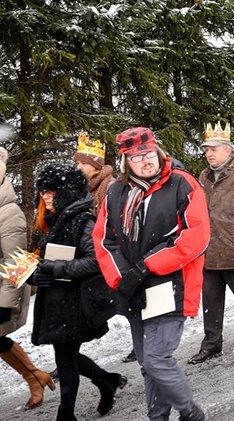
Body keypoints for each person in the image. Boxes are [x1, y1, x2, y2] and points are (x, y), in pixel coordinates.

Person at [93, 127, 209, 421]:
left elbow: (195, 237)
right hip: (133, 289)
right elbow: (104, 240)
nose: (145, 161)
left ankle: (191, 413)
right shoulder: (116, 192)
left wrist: (147, 266)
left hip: (171, 286)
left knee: (157, 360)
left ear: (158, 151)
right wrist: (122, 278)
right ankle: (157, 418)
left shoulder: (182, 184)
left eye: (148, 153)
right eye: (135, 157)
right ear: (125, 163)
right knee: (147, 363)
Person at [30, 165, 124, 421]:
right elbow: (43, 261)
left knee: (65, 356)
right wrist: (37, 274)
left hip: (75, 301)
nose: (45, 196)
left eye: (51, 192)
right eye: (43, 192)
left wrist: (55, 268)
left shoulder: (82, 220)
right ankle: (106, 380)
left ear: (65, 192)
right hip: (58, 300)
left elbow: (95, 261)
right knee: (65, 354)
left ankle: (66, 413)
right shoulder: (54, 220)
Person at [189, 122, 234, 365]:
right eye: (206, 149)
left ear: (228, 150)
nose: (209, 153)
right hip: (208, 253)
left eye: (214, 149)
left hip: (233, 251)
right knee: (211, 302)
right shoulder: (204, 176)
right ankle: (211, 345)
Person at [72, 132, 138, 364]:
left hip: (112, 252)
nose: (77, 167)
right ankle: (70, 356)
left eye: (82, 163)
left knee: (127, 301)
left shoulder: (109, 186)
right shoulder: (82, 188)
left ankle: (140, 343)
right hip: (92, 254)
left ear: (94, 165)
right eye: (77, 163)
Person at [0, 149, 56, 411]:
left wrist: (5, 303)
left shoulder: (8, 211)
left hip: (3, 288)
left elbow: (16, 260)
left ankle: (34, 376)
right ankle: (35, 376)